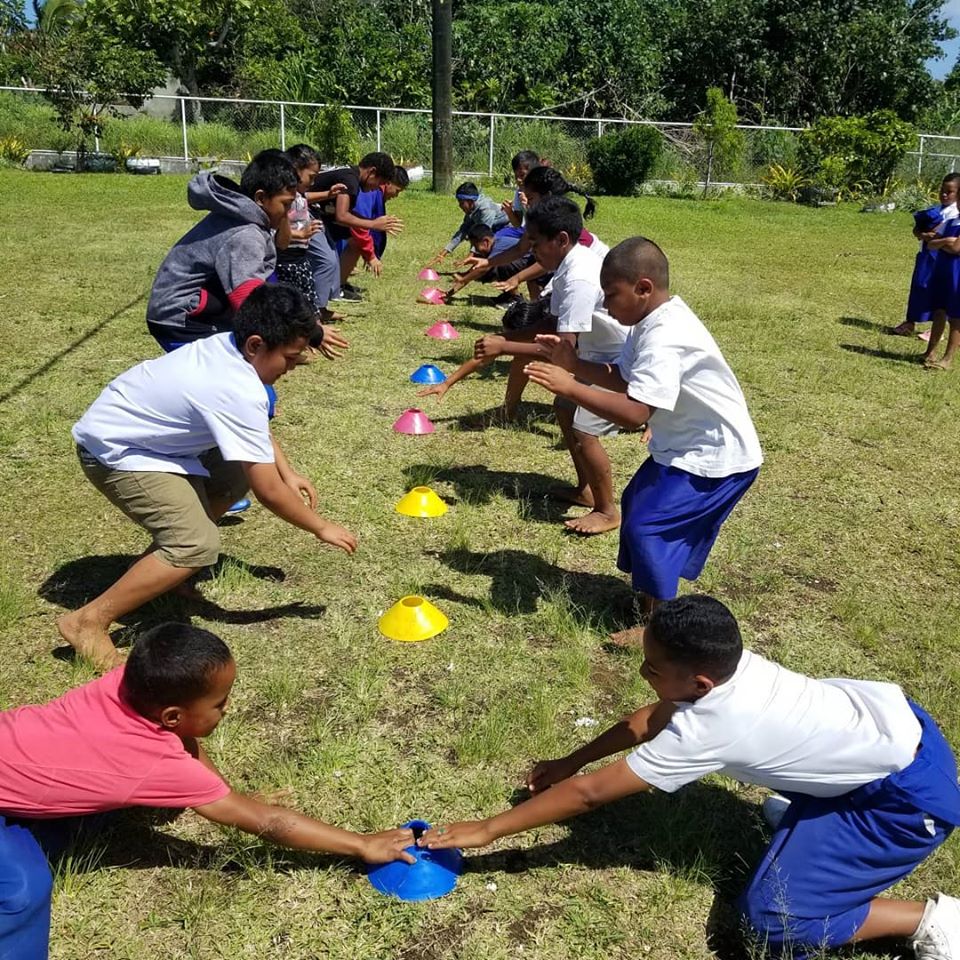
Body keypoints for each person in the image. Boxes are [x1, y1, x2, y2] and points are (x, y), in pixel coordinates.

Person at [421, 594, 960, 960]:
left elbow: (589, 797)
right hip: (898, 728)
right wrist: (571, 759)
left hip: (905, 804)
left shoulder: (713, 726)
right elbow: (647, 721)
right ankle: (810, 815)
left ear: (700, 681)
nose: (642, 674)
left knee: (773, 921)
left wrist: (489, 829)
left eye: (652, 667)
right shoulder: (734, 668)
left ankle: (928, 920)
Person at [0, 621, 415, 960]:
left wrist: (219, 789)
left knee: (70, 820)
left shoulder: (122, 686)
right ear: (173, 715)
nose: (226, 708)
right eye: (219, 703)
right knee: (23, 890)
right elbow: (268, 823)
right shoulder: (149, 761)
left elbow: (183, 743)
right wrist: (361, 845)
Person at [58, 285, 358, 670]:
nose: (292, 367)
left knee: (234, 477)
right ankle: (88, 622)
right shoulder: (234, 386)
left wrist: (289, 471)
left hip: (151, 441)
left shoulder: (230, 349)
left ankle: (166, 569)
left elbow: (253, 433)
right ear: (255, 344)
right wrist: (321, 527)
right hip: (115, 452)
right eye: (290, 358)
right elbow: (268, 491)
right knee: (197, 544)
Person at [525, 237, 762, 617]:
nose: (603, 304)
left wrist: (569, 387)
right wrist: (573, 365)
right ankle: (652, 599)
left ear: (643, 288)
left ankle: (659, 623)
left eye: (611, 294)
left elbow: (636, 412)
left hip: (716, 456)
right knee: (637, 507)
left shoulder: (665, 336)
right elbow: (623, 377)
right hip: (683, 446)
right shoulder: (648, 321)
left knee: (648, 528)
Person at [474, 197, 627, 535]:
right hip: (596, 352)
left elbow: (562, 351)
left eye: (535, 242)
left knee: (583, 427)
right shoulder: (567, 267)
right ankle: (585, 490)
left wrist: (503, 346)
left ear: (560, 239)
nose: (530, 251)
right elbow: (552, 327)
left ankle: (607, 510)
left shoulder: (578, 280)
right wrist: (502, 339)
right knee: (563, 408)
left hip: (617, 358)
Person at [145, 150, 298, 351]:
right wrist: (290, 335)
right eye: (286, 204)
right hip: (180, 317)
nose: (289, 212)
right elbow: (248, 300)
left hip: (177, 310)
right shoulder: (245, 234)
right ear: (260, 197)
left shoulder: (243, 218)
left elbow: (267, 280)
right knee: (233, 368)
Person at [448, 167, 601, 302]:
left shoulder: (556, 221)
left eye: (531, 197)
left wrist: (517, 278)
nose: (526, 201)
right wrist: (488, 262)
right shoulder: (536, 218)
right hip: (564, 264)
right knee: (539, 288)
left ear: (547, 196)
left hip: (592, 266)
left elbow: (544, 264)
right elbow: (520, 249)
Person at [276, 143, 349, 359]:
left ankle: (310, 339)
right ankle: (289, 347)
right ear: (295, 170)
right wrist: (300, 234)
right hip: (286, 259)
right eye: (311, 176)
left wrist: (327, 193)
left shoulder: (298, 194)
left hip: (300, 258)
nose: (313, 181)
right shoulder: (283, 197)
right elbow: (279, 231)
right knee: (290, 306)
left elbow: (304, 199)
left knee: (306, 301)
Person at [306, 151, 403, 304]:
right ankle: (320, 306)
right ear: (372, 172)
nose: (376, 188)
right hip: (306, 213)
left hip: (320, 214)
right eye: (378, 183)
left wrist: (374, 224)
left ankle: (336, 288)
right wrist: (373, 224)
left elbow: (348, 215)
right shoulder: (350, 180)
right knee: (327, 260)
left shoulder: (350, 175)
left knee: (353, 243)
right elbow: (342, 216)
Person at [891, 174, 960, 339]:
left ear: (958, 194)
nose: (944, 195)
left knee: (942, 295)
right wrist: (922, 233)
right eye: (942, 191)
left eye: (949, 192)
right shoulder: (936, 209)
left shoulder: (954, 214)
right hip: (926, 254)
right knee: (919, 286)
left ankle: (938, 330)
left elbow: (944, 239)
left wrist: (933, 237)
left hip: (942, 259)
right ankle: (910, 321)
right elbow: (920, 231)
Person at [336, 165, 410, 281]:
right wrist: (371, 256)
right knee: (355, 244)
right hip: (329, 222)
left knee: (355, 244)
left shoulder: (376, 194)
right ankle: (337, 286)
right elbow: (360, 226)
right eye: (397, 191)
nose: (396, 195)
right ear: (388, 183)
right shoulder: (370, 192)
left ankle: (340, 283)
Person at [426, 182, 509, 267]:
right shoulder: (472, 210)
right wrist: (442, 254)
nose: (459, 206)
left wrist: (469, 257)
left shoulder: (486, 210)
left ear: (470, 202)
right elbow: (462, 231)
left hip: (507, 228)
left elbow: (482, 236)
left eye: (462, 203)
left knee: (487, 247)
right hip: (491, 229)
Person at [923, 206, 960, 371]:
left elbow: (957, 248)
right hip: (943, 271)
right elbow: (930, 244)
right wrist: (946, 241)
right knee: (939, 311)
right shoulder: (950, 221)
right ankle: (930, 352)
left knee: (956, 317)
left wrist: (945, 244)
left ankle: (947, 359)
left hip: (957, 274)